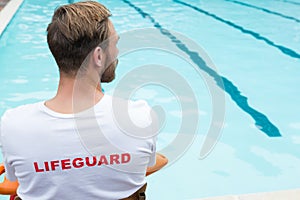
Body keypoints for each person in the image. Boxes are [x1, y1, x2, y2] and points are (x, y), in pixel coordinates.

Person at [0, 1, 167, 199]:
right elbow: (147, 164)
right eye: (114, 44)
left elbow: (14, 182)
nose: (117, 52)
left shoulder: (15, 125)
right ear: (98, 56)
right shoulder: (139, 116)